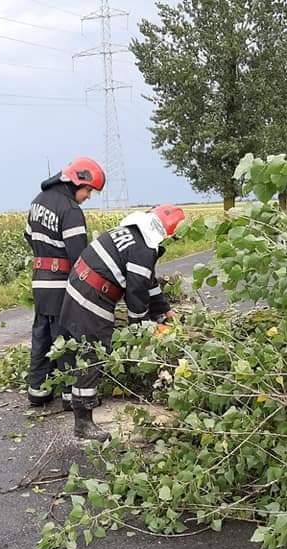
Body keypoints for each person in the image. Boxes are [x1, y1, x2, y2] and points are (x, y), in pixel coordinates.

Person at [59, 204, 185, 441]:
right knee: (93, 353)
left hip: (82, 287)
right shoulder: (143, 249)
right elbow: (136, 294)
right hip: (91, 297)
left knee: (81, 350)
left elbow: (148, 282)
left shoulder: (134, 234)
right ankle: (82, 422)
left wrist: (165, 312)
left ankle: (74, 399)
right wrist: (142, 328)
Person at [24, 157, 106, 410]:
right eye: (88, 190)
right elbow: (79, 256)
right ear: (76, 182)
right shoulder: (70, 210)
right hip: (62, 283)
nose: (88, 197)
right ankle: (72, 395)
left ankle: (38, 390)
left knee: (42, 334)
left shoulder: (38, 201)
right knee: (66, 337)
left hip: (40, 281)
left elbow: (29, 236)